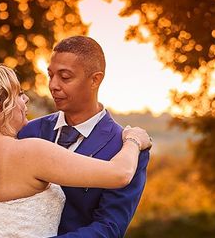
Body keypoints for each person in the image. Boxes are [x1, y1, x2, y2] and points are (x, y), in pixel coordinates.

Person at [0, 63, 151, 238]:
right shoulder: (31, 153)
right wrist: (134, 140)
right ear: (0, 107)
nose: (25, 101)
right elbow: (119, 174)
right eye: (19, 95)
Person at [18, 36, 150, 237]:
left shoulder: (126, 150)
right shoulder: (28, 132)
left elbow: (109, 228)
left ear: (95, 80)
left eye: (65, 77)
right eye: (51, 75)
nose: (53, 85)